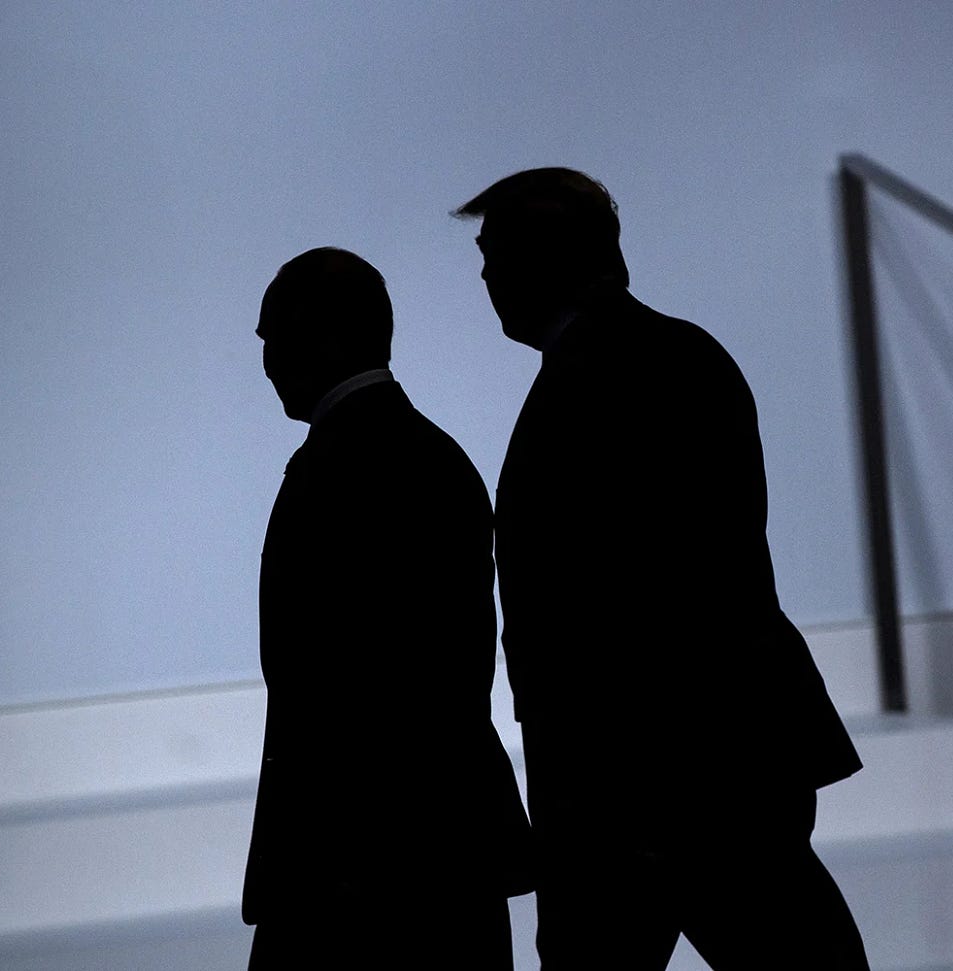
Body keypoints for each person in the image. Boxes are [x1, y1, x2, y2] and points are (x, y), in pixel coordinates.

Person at [456, 169, 869, 970]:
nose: (485, 276)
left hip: (649, 783)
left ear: (544, 259)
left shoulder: (594, 379)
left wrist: (617, 796)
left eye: (493, 252)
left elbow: (640, 600)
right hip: (698, 768)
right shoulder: (676, 356)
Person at [241, 247, 531, 969]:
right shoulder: (426, 454)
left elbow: (357, 681)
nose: (268, 362)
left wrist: (342, 862)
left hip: (362, 856)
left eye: (276, 337)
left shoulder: (343, 465)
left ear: (327, 337)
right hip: (431, 844)